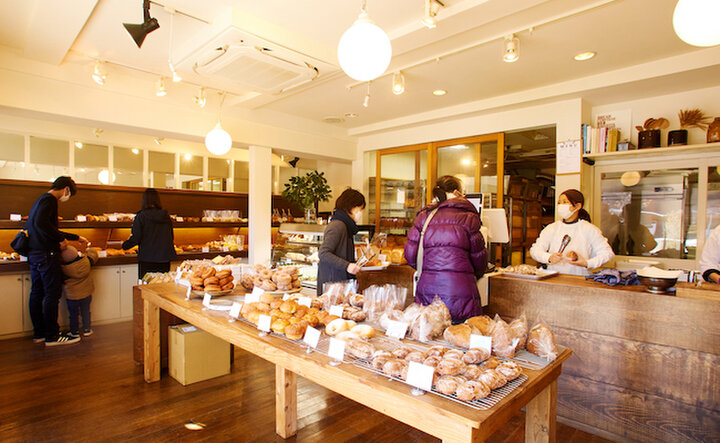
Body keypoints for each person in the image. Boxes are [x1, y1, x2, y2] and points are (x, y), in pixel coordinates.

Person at [404, 175, 488, 322]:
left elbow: (410, 255)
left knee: (429, 331)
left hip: (427, 292)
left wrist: (431, 269)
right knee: (460, 333)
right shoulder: (468, 217)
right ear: (456, 192)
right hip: (462, 294)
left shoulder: (424, 216)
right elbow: (480, 261)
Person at [26, 176, 88, 346]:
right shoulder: (50, 200)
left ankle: (39, 333)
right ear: (66, 189)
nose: (67, 197)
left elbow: (40, 225)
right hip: (47, 255)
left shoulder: (40, 199)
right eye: (69, 194)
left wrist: (74, 237)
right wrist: (61, 239)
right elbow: (45, 225)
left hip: (34, 254)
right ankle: (52, 336)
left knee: (37, 293)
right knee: (52, 294)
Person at [530, 189, 614, 276]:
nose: (561, 205)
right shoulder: (551, 228)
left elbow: (607, 254)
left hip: (580, 279)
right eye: (559, 202)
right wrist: (548, 257)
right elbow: (535, 250)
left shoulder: (590, 229)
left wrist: (587, 263)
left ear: (577, 206)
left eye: (565, 202)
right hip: (553, 277)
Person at [317, 188, 365, 296]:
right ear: (352, 207)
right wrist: (347, 265)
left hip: (337, 282)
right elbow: (323, 253)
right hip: (333, 284)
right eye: (360, 209)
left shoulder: (344, 225)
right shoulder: (338, 226)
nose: (360, 213)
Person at [122, 188, 176, 279]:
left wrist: (124, 246)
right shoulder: (166, 216)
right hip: (164, 258)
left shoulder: (141, 216)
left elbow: (136, 238)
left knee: (146, 284)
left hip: (147, 258)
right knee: (162, 284)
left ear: (144, 200)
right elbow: (171, 236)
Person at [60, 245, 99, 338]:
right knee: (86, 311)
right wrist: (89, 248)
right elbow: (94, 254)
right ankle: (87, 329)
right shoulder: (86, 261)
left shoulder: (64, 269)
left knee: (73, 314)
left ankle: (74, 332)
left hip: (72, 296)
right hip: (86, 293)